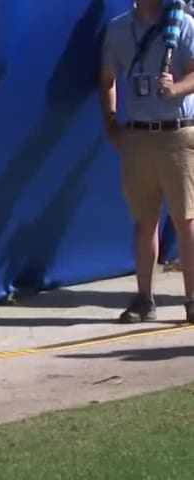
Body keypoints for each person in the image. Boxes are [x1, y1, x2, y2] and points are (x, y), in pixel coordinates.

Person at [99, 0, 194, 322]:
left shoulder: (183, 23)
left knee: (185, 220)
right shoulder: (118, 28)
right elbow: (107, 79)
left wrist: (177, 88)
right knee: (145, 221)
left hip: (178, 134)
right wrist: (111, 123)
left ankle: (192, 299)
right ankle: (144, 300)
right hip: (138, 135)